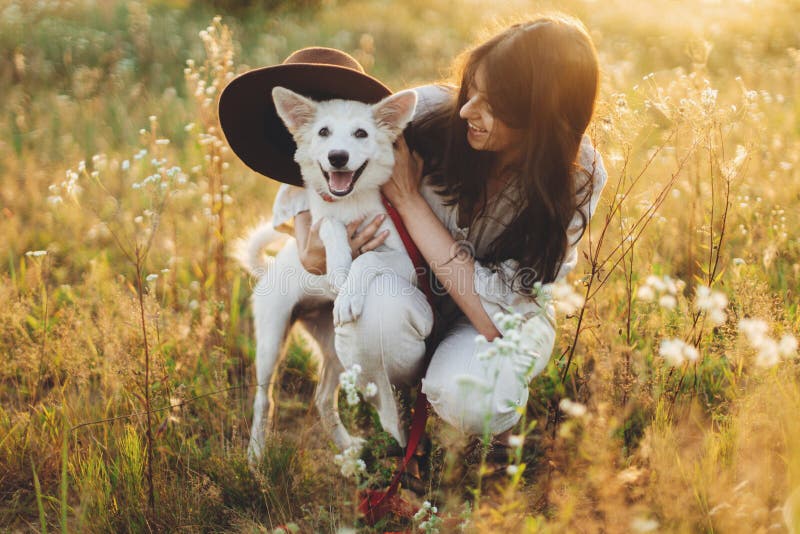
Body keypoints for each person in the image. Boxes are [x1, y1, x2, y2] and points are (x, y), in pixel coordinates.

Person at [271, 14, 607, 442]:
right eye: (471, 90)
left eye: (494, 105)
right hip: (409, 290)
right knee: (370, 316)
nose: (468, 110)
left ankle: (486, 421)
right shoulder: (430, 111)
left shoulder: (578, 176)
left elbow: (495, 322)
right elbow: (321, 147)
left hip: (498, 315)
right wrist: (306, 239)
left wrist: (411, 202)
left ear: (542, 116)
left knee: (473, 396)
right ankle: (403, 395)